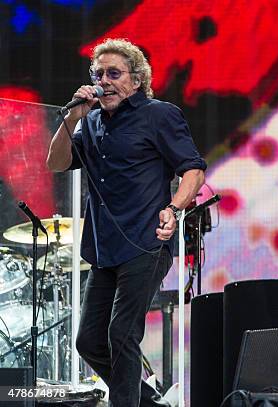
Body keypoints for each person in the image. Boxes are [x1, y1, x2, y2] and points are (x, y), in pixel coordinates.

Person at [47, 38, 206, 407]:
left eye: (113, 74)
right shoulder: (91, 123)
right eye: (98, 73)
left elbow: (193, 171)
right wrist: (73, 116)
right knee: (88, 341)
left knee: (121, 333)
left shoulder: (159, 114)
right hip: (103, 250)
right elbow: (55, 163)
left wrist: (174, 207)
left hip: (145, 242)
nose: (104, 80)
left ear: (136, 80)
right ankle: (149, 402)